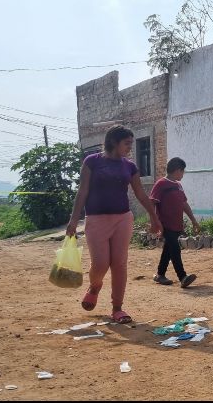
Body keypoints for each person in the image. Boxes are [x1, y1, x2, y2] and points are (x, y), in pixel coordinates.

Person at [66, 125, 162, 324]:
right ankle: (95, 286)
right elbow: (82, 192)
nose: (130, 148)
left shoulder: (129, 167)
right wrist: (74, 220)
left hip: (122, 219)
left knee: (119, 264)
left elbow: (140, 194)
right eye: (127, 143)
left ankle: (117, 308)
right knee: (100, 264)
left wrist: (154, 217)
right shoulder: (92, 162)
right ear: (113, 142)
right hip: (96, 220)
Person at [150, 157, 199, 288]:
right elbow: (152, 202)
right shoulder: (161, 184)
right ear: (177, 170)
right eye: (183, 171)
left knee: (168, 249)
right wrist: (154, 222)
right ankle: (182, 277)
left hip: (176, 224)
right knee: (175, 248)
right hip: (165, 224)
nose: (183, 174)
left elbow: (184, 203)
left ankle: (160, 274)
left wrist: (194, 220)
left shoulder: (178, 185)